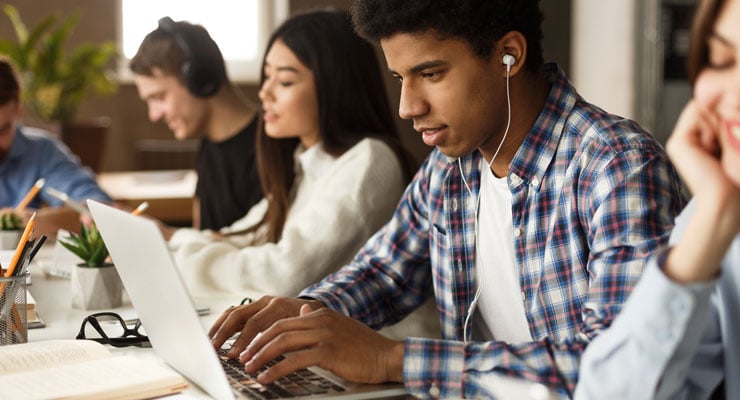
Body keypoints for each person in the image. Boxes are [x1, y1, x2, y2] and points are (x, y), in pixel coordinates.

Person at [207, 1, 688, 398]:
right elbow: (385, 273)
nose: (408, 106)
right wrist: (303, 315)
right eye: (400, 79)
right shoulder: (451, 166)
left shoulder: (616, 167)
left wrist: (391, 358)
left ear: (509, 56)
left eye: (430, 74)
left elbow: (622, 369)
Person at [165, 9, 418, 303]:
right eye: (266, 76)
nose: (265, 93)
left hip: (381, 343)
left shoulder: (370, 160)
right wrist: (171, 239)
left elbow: (282, 275)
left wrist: (175, 258)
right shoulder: (307, 162)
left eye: (284, 82)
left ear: (333, 86)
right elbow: (244, 235)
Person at [576, 0, 740, 398]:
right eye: (721, 59)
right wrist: (715, 216)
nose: (732, 95)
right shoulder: (718, 222)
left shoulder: (618, 160)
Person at [130, 17, 262, 230]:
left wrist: (166, 235)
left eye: (159, 97)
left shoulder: (271, 149)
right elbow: (202, 242)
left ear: (199, 79)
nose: (154, 115)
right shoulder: (208, 146)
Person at [0, 56, 111, 232]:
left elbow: (98, 205)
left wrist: (33, 221)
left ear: (18, 112)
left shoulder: (42, 151)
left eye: (3, 129)